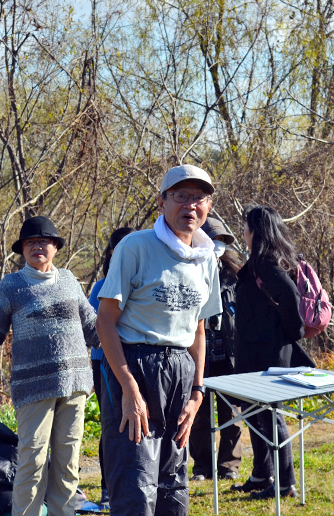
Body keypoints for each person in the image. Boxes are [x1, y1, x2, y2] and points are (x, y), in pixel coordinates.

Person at [0, 216, 99, 516]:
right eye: (30, 242)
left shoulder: (70, 280)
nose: (37, 247)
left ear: (55, 247)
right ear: (22, 250)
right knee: (32, 461)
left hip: (75, 386)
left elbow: (95, 328)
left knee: (67, 464)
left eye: (44, 241)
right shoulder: (13, 286)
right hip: (33, 388)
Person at [96, 164, 222, 516]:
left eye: (198, 198)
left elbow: (198, 330)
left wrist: (197, 393)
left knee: (172, 489)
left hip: (180, 371)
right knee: (135, 489)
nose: (190, 206)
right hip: (134, 366)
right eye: (181, 196)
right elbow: (105, 321)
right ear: (162, 202)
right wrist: (129, 389)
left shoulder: (206, 258)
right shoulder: (136, 247)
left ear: (208, 205)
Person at [230, 205, 314, 500]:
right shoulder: (265, 261)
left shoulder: (266, 262)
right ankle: (261, 474)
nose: (243, 233)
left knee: (270, 417)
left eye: (245, 228)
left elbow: (290, 295)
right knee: (255, 414)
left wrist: (294, 333)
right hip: (256, 354)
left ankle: (284, 483)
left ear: (256, 231)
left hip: (266, 356)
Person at [188, 216, 242, 481]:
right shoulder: (189, 270)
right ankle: (202, 466)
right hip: (198, 356)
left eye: (223, 240)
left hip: (228, 356)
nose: (219, 245)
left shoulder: (235, 276)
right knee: (199, 415)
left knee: (231, 414)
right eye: (214, 240)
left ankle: (229, 466)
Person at [87, 226, 136, 509]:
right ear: (111, 253)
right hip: (103, 362)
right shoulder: (102, 286)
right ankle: (108, 489)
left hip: (136, 360)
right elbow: (97, 326)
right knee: (111, 423)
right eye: (120, 247)